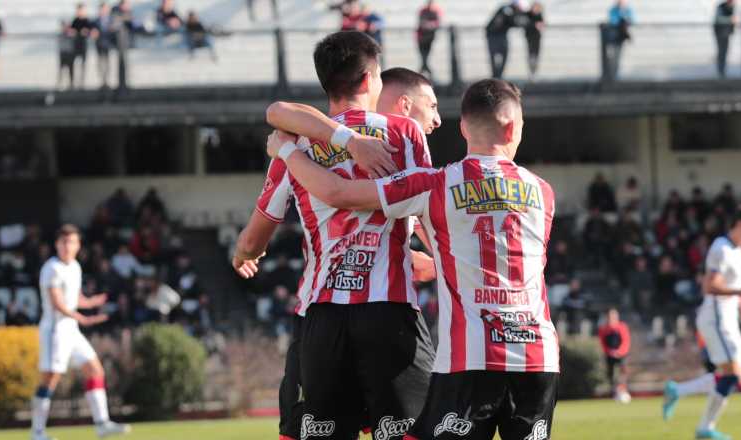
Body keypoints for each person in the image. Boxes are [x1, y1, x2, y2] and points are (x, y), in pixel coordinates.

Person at [265, 78, 560, 440]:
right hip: (537, 353)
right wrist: (439, 265)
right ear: (514, 127)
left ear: (464, 127)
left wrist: (286, 151)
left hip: (470, 358)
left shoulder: (434, 183)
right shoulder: (544, 193)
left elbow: (336, 192)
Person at [233, 32, 436, 440]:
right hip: (388, 309)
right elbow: (428, 212)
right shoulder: (403, 133)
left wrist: (242, 254)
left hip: (322, 315)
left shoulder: (296, 141)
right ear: (368, 79)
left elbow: (255, 239)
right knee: (411, 433)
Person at [665, 205, 741, 440]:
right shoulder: (721, 248)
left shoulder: (737, 251)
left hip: (726, 317)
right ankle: (705, 428)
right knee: (732, 376)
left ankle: (678, 391)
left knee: (735, 376)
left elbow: (728, 288)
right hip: (716, 319)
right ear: (739, 225)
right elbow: (709, 286)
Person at [30, 225, 130, 440]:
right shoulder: (51, 268)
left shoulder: (74, 266)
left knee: (94, 369)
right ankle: (37, 432)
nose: (67, 246)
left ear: (78, 245)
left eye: (71, 242)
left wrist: (91, 302)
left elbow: (73, 299)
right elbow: (58, 303)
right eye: (63, 242)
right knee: (50, 380)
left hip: (71, 329)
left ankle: (102, 423)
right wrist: (83, 318)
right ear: (57, 244)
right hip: (54, 331)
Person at [599, 308, 632, 403]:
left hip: (622, 355)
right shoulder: (604, 329)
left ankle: (623, 390)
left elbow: (626, 341)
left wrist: (619, 352)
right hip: (610, 355)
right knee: (610, 374)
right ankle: (614, 392)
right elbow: (603, 343)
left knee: (623, 373)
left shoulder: (622, 327)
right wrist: (609, 352)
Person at [486, 1, 523, 79]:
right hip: (493, 36)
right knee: (495, 55)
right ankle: (495, 76)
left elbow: (514, 23)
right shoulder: (506, 9)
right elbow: (499, 23)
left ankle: (499, 76)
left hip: (501, 35)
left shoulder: (513, 11)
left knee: (504, 54)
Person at [605, 0, 634, 80]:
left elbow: (632, 20)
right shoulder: (613, 10)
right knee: (611, 56)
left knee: (617, 57)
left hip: (621, 37)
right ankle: (611, 74)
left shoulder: (628, 10)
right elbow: (613, 21)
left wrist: (624, 16)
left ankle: (614, 75)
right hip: (613, 36)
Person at [416, 0, 443, 80]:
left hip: (430, 38)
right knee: (424, 58)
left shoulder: (436, 10)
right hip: (420, 38)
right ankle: (427, 76)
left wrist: (430, 25)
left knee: (425, 58)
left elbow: (438, 23)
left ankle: (421, 75)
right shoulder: (423, 10)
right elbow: (421, 22)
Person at [92, 2, 115, 89]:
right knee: (101, 63)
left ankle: (106, 80)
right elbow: (92, 30)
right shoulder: (96, 20)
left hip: (107, 44)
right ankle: (102, 80)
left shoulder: (111, 20)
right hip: (99, 44)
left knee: (107, 63)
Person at [71, 3, 94, 89]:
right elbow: (71, 31)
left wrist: (86, 32)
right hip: (75, 45)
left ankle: (82, 83)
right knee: (75, 64)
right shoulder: (75, 20)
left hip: (84, 45)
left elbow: (92, 32)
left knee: (83, 65)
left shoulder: (87, 21)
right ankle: (74, 82)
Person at [713, 0, 737, 78]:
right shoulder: (721, 7)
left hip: (726, 34)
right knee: (721, 52)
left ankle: (723, 71)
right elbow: (718, 19)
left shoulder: (731, 7)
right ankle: (720, 71)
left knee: (725, 52)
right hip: (720, 33)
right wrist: (730, 19)